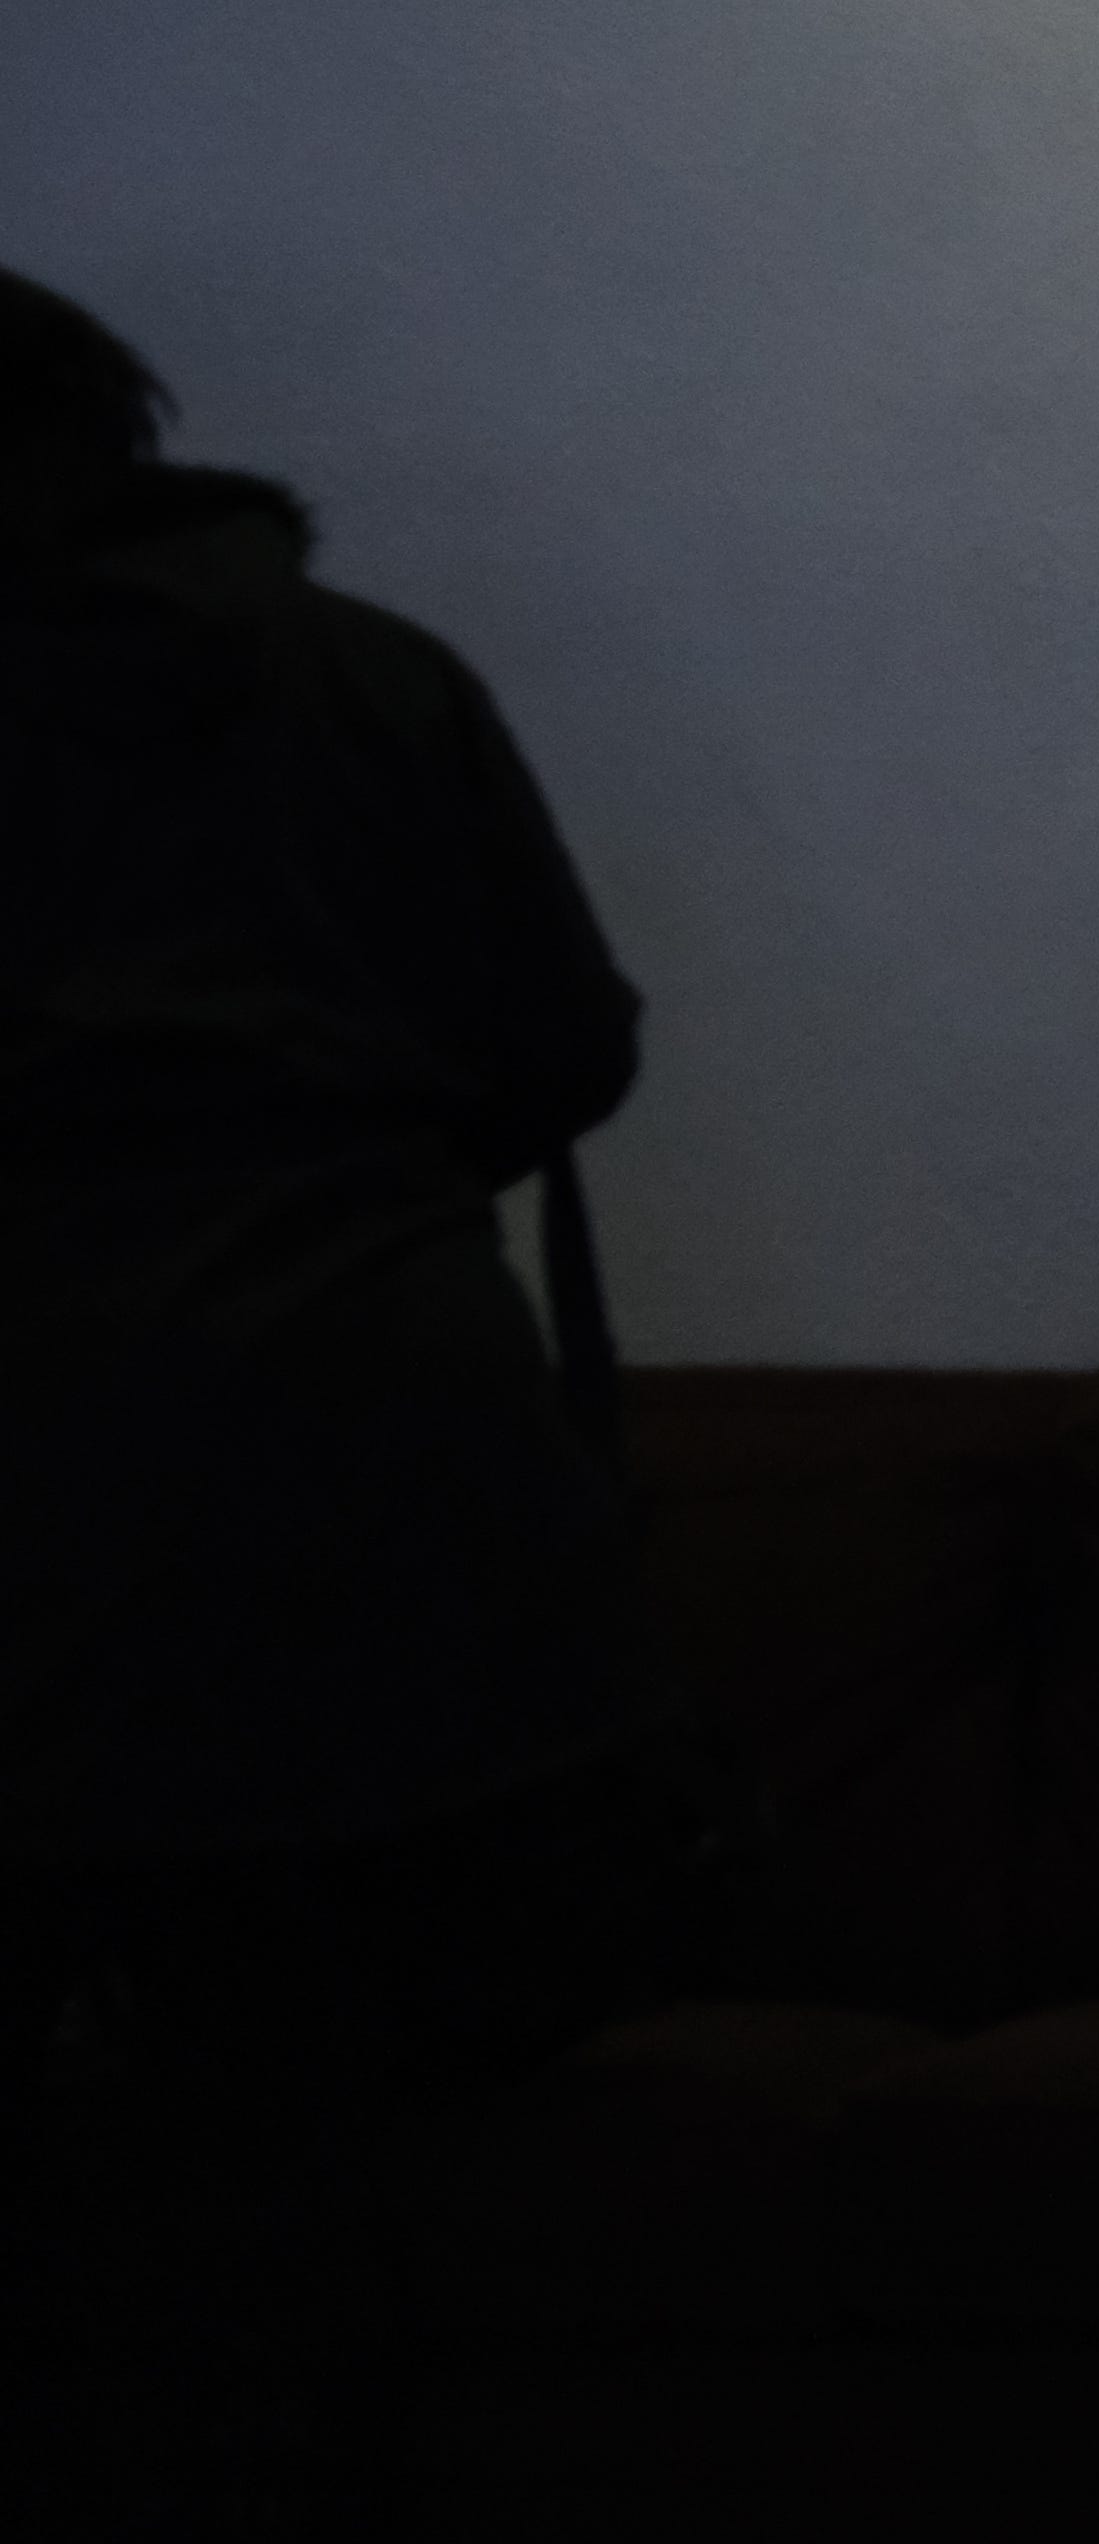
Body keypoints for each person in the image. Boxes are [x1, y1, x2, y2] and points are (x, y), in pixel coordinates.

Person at [0, 268, 666, 2526]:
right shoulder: (372, 670)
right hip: (392, 1441)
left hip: (52, 1463)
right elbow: (566, 1039)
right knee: (317, 2130)